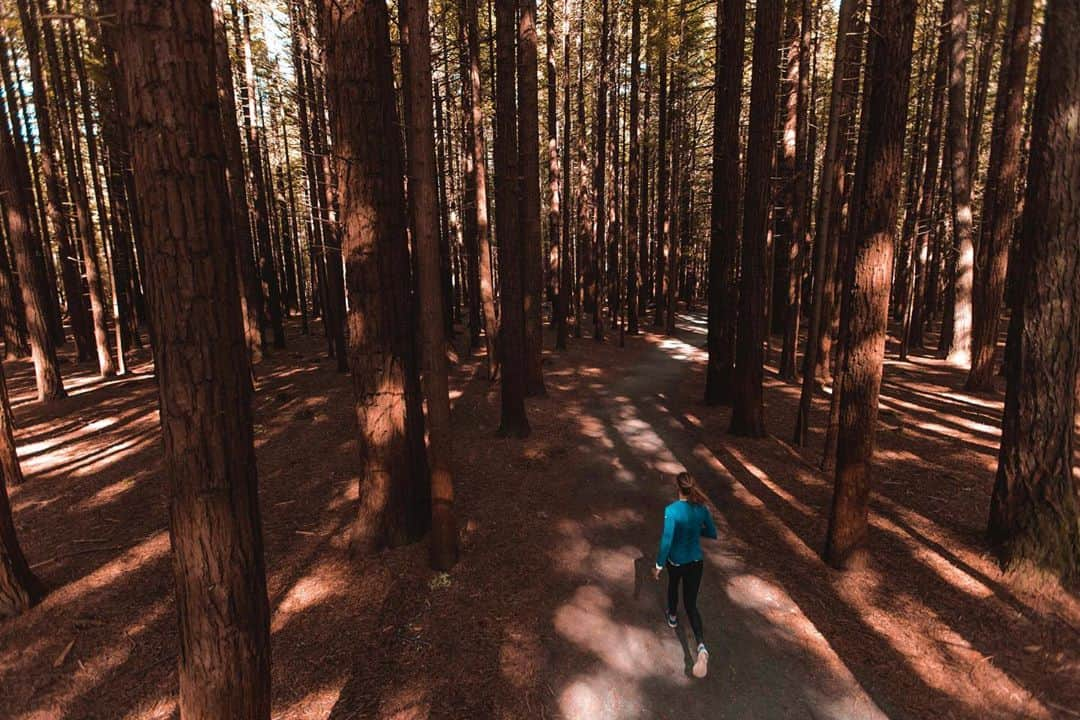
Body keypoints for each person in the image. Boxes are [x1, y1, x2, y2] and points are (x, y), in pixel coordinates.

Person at [653, 471, 717, 678]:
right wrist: (696, 531)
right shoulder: (702, 509)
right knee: (691, 604)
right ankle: (701, 646)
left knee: (673, 586)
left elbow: (667, 540)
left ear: (678, 487)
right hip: (696, 562)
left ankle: (672, 617)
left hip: (676, 561)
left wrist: (658, 565)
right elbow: (712, 533)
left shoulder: (671, 510)